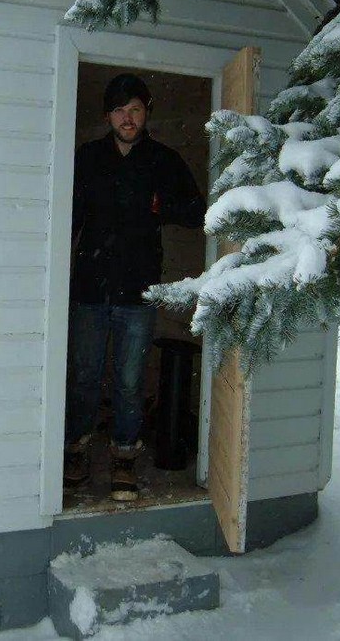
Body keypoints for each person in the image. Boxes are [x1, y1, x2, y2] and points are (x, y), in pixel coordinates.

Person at [64, 73, 206, 501]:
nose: (128, 118)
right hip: (89, 287)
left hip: (139, 290)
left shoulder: (162, 160)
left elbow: (197, 211)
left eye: (136, 110)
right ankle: (77, 449)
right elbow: (67, 219)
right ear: (108, 115)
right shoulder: (87, 158)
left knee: (129, 380)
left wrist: (164, 206)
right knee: (85, 376)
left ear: (146, 113)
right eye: (120, 110)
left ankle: (124, 455)